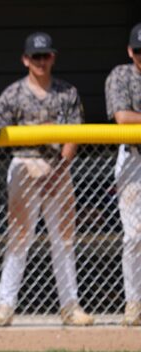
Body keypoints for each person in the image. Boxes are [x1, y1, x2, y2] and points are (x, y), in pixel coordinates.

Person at [0, 32, 93, 327]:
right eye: (35, 56)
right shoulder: (12, 94)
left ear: (53, 57)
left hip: (58, 166)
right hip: (25, 164)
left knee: (64, 240)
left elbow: (75, 134)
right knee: (19, 238)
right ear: (25, 59)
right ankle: (5, 305)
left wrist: (60, 170)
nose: (41, 61)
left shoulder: (67, 91)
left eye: (45, 56)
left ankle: (70, 306)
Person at [105, 22, 141, 326]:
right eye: (139, 51)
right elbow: (122, 118)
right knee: (134, 236)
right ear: (131, 51)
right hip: (134, 159)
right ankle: (134, 303)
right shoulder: (121, 74)